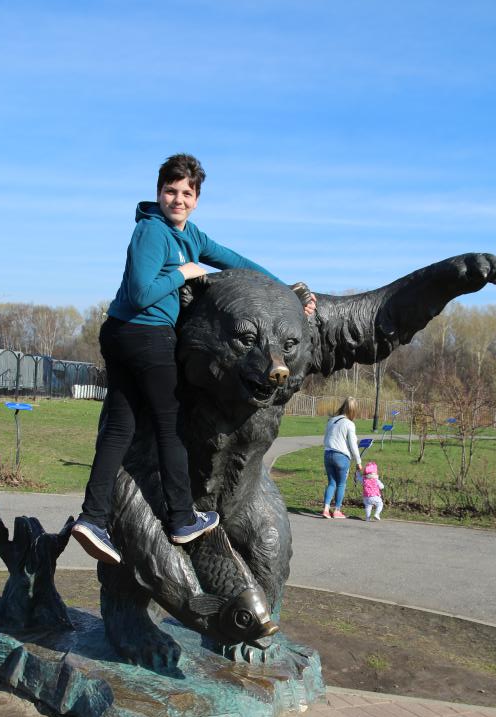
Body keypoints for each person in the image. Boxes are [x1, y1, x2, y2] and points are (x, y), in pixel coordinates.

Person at [72, 153, 316, 564]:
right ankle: (182, 518)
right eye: (171, 191)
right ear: (158, 193)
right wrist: (182, 274)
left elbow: (236, 262)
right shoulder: (152, 232)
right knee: (170, 427)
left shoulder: (192, 235)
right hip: (145, 333)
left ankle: (92, 518)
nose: (178, 199)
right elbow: (140, 294)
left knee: (119, 427)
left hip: (123, 334)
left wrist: (285, 291)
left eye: (186, 193)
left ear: (197, 198)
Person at [321, 397, 362, 519]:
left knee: (331, 483)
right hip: (341, 456)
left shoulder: (331, 421)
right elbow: (353, 445)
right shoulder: (349, 424)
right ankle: (337, 510)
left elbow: (325, 439)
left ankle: (326, 509)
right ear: (353, 410)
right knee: (341, 484)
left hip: (328, 454)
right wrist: (358, 462)